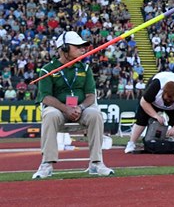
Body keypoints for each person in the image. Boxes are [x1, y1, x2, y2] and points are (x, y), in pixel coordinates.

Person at [33, 31, 114, 179]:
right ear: (63, 49)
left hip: (80, 110)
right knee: (50, 114)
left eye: (82, 47)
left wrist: (80, 107)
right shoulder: (47, 69)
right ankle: (46, 164)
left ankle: (96, 163)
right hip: (59, 111)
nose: (82, 49)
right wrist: (66, 109)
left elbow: (91, 96)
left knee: (95, 114)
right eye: (77, 46)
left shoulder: (85, 68)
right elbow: (45, 97)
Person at [124, 71, 174, 153]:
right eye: (166, 99)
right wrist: (156, 115)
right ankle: (131, 143)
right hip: (153, 102)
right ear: (163, 92)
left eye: (171, 100)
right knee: (141, 120)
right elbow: (144, 102)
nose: (167, 102)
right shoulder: (156, 85)